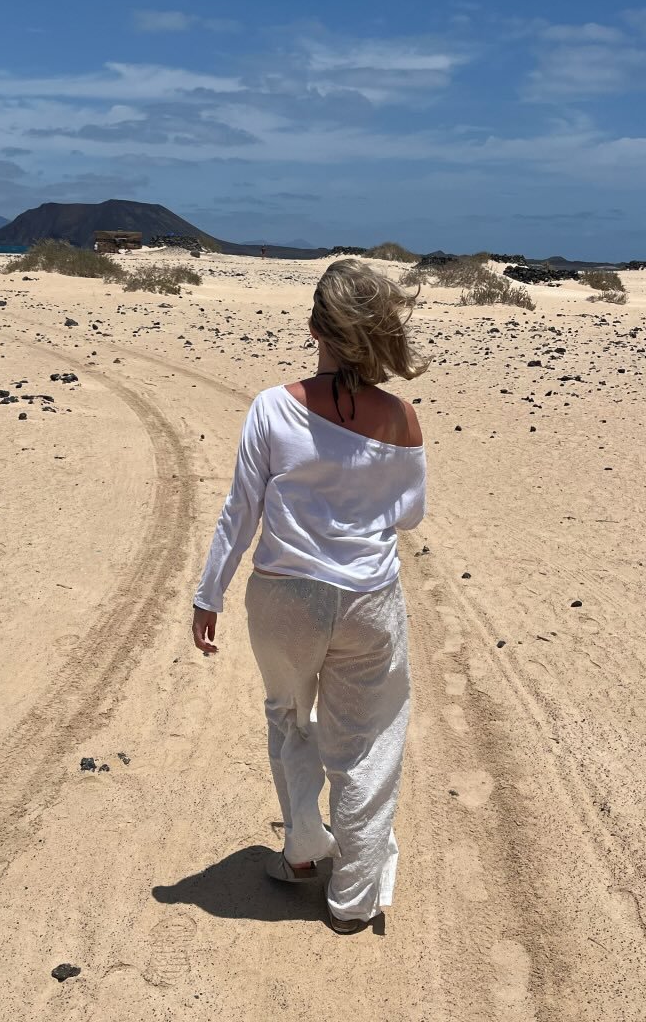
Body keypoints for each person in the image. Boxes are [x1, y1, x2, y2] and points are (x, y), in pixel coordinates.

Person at [191, 258, 430, 935]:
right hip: (368, 600)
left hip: (283, 596)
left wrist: (209, 593)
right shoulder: (402, 419)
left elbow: (240, 510)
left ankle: (301, 850)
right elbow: (410, 515)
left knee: (290, 717)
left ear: (315, 328)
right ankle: (352, 899)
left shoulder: (273, 406)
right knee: (367, 744)